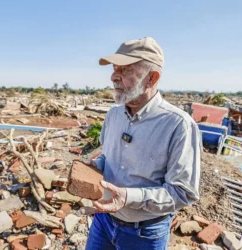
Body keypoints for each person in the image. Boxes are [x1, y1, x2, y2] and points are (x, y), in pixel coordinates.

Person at [83, 37, 201, 250]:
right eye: (114, 68)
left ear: (152, 78)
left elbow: (183, 192)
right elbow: (107, 157)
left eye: (125, 69)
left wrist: (128, 197)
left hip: (144, 233)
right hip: (103, 220)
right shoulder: (114, 115)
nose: (113, 76)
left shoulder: (178, 125)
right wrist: (96, 166)